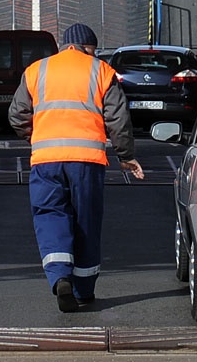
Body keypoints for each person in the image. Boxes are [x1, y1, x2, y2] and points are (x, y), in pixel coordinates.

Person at [8, 23, 144, 313]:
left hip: (45, 161)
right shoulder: (102, 71)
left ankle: (59, 277)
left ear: (63, 45)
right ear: (88, 47)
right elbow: (118, 120)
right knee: (86, 221)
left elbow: (17, 115)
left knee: (50, 215)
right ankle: (83, 290)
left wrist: (37, 135)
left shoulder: (36, 70)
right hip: (87, 162)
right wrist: (126, 155)